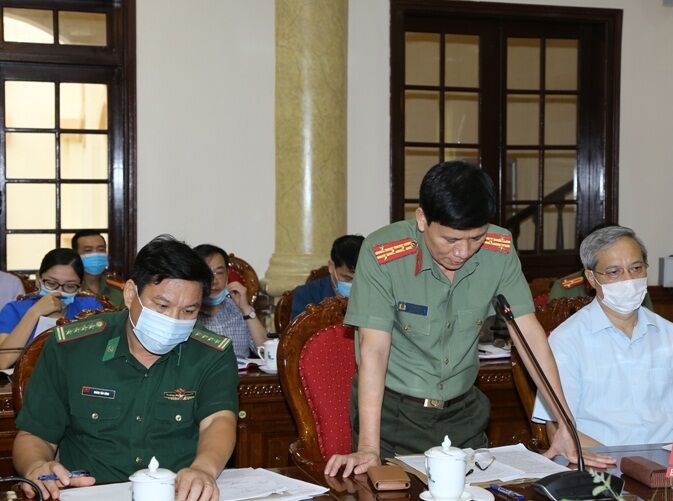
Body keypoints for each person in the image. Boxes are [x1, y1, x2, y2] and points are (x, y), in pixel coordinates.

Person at [324, 161, 614, 477]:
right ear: (422, 219)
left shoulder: (499, 250)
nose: (463, 251)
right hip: (395, 418)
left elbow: (529, 336)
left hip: (464, 415)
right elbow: (374, 350)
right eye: (450, 240)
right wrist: (369, 447)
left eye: (476, 238)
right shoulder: (384, 254)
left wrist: (565, 423)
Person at [13, 235, 238, 501]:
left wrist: (204, 469)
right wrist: (37, 466)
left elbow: (218, 421)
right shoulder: (72, 349)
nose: (173, 320)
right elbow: (35, 435)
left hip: (176, 494)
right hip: (90, 493)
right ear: (131, 294)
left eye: (189, 311)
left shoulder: (211, 353)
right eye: (162, 306)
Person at [532, 226, 673, 446]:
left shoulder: (668, 334)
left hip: (666, 460)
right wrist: (619, 462)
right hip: (603, 460)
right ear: (591, 278)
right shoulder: (567, 341)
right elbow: (557, 429)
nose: (628, 279)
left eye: (636, 268)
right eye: (614, 272)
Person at [0, 249, 104, 369]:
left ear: (80, 287)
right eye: (51, 283)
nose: (59, 292)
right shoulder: (14, 310)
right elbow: (3, 362)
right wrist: (35, 312)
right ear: (38, 280)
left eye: (70, 286)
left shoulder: (91, 308)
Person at [194, 244, 267, 360]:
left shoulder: (239, 310)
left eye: (219, 273)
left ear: (227, 275)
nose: (214, 281)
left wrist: (246, 309)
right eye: (206, 274)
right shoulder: (186, 313)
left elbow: (266, 352)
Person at [291, 235, 365, 319]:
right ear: (331, 267)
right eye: (348, 278)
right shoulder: (306, 295)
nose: (354, 285)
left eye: (361, 279)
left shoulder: (375, 292)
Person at [71, 230, 124, 308]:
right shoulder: (69, 287)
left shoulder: (118, 286)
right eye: (88, 250)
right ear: (75, 255)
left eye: (101, 249)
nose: (96, 253)